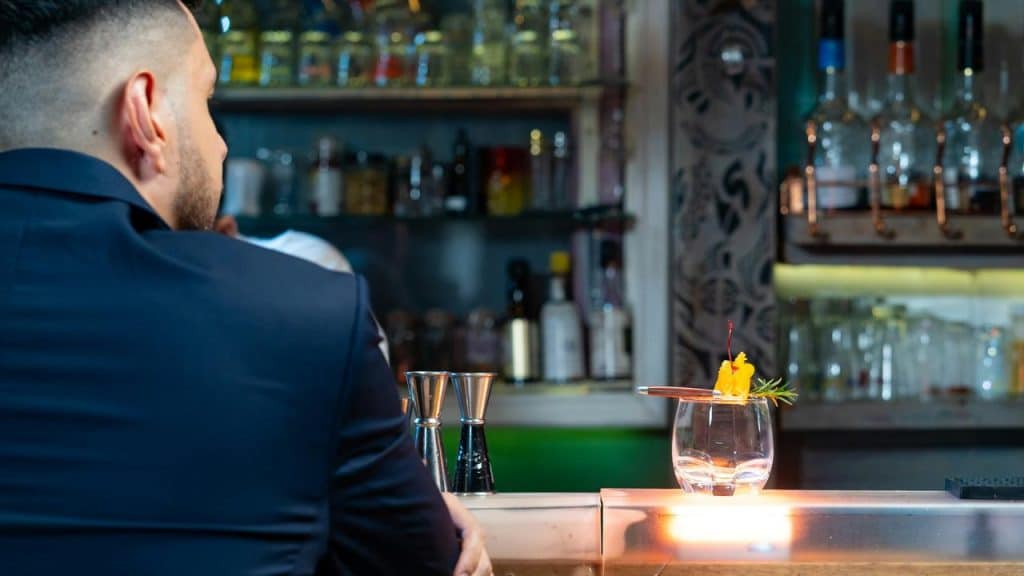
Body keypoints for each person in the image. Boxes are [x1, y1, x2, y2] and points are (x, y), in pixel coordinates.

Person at [0, 2, 490, 575]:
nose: (222, 144)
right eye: (207, 101)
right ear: (145, 112)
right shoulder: (307, 317)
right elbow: (421, 566)